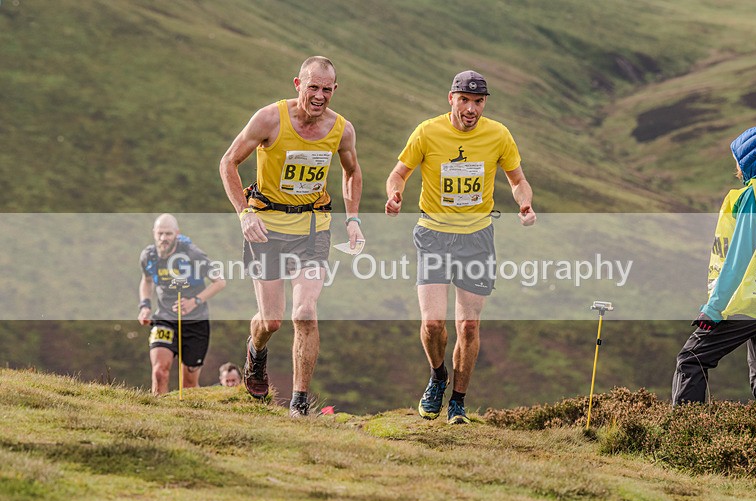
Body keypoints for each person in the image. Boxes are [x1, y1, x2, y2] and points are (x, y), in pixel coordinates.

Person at [384, 70, 536, 424]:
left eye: (478, 102)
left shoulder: (499, 135)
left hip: (477, 238)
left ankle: (458, 402)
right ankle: (438, 377)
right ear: (450, 98)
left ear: (485, 103)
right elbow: (399, 173)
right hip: (434, 234)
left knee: (468, 327)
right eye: (464, 100)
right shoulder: (427, 131)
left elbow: (518, 180)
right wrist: (395, 194)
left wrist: (525, 204)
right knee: (433, 322)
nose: (471, 109)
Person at [219, 56, 364, 417]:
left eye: (326, 89)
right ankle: (256, 352)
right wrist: (245, 212)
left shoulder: (342, 129)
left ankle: (299, 403)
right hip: (266, 227)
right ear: (298, 85)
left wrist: (353, 220)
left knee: (305, 313)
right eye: (313, 87)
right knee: (271, 321)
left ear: (335, 90)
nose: (319, 96)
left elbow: (351, 172)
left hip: (313, 228)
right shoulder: (270, 118)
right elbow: (228, 163)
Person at [672, 126, 756, 414]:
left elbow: (739, 257)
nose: (736, 168)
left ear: (747, 160)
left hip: (750, 300)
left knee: (692, 358)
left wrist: (714, 308)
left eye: (737, 160)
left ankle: (683, 435)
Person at [138, 214, 227, 395]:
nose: (164, 238)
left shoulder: (193, 254)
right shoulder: (149, 256)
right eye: (160, 233)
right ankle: (159, 416)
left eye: (168, 234)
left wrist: (195, 301)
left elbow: (220, 282)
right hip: (164, 318)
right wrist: (145, 306)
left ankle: (187, 418)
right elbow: (146, 281)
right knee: (159, 372)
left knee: (188, 386)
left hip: (195, 322)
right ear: (154, 233)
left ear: (177, 234)